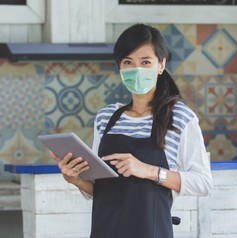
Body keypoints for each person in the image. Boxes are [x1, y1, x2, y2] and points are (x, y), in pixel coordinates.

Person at [51, 23, 213, 238]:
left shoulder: (179, 118)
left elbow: (203, 183)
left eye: (146, 62)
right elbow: (101, 189)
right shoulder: (106, 117)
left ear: (161, 65)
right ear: (120, 67)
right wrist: (77, 180)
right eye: (128, 62)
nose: (136, 69)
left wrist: (148, 171)